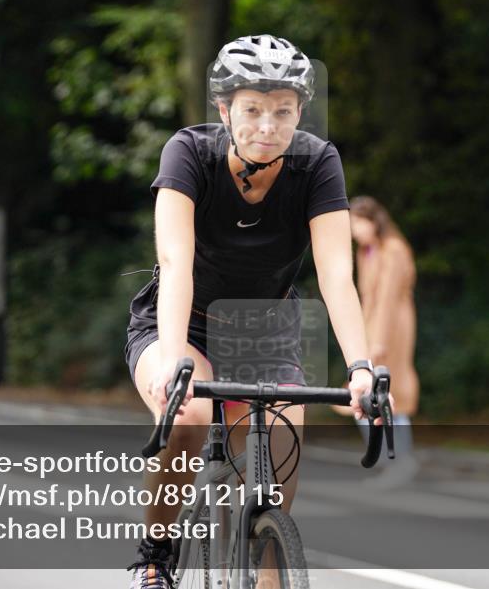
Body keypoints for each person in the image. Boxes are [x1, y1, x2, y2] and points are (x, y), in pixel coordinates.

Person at [124, 34, 385, 589]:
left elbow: (337, 273)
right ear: (224, 109)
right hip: (180, 324)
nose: (268, 126)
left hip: (265, 329)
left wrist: (360, 367)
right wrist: (174, 359)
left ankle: (267, 569)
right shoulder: (188, 153)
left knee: (286, 435)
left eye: (283, 112)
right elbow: (174, 262)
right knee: (191, 419)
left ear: (299, 113)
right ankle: (156, 554)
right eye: (252, 110)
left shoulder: (317, 164)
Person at [334, 195, 420, 481]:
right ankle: (389, 461)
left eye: (358, 223)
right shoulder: (366, 251)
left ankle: (400, 460)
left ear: (373, 221)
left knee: (390, 391)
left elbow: (388, 299)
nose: (354, 230)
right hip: (371, 324)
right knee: (366, 395)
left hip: (392, 325)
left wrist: (379, 340)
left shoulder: (393, 249)